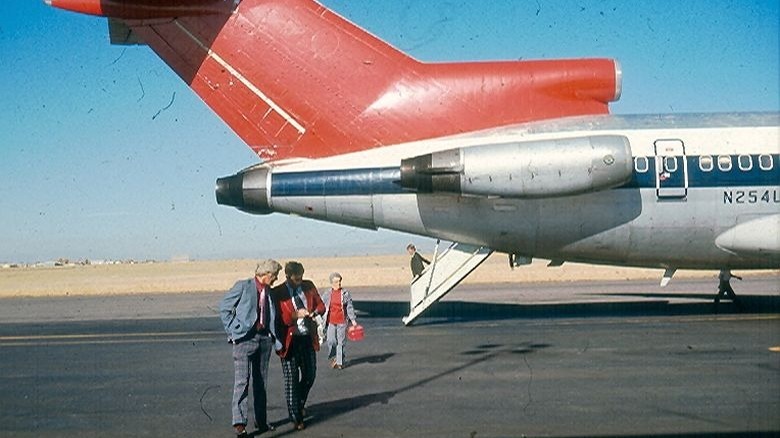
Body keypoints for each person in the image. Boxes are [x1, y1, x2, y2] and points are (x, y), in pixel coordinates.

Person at [218, 259, 282, 438]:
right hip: (244, 340)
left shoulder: (269, 292)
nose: (276, 279)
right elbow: (224, 308)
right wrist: (234, 330)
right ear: (266, 274)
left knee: (261, 382)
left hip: (264, 341)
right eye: (275, 275)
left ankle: (261, 420)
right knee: (242, 381)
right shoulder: (243, 286)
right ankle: (239, 424)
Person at [270, 261, 325, 431]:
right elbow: (279, 319)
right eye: (296, 279)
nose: (299, 281)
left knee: (310, 374)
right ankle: (296, 416)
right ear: (287, 277)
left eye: (301, 278)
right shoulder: (278, 292)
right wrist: (295, 315)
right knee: (291, 380)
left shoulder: (308, 286)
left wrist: (315, 312)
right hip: (289, 341)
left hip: (307, 338)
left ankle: (299, 402)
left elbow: (321, 305)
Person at [322, 272, 358, 370]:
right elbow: (321, 306)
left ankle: (340, 361)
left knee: (341, 342)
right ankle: (334, 357)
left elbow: (349, 307)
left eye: (340, 281)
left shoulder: (345, 293)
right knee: (331, 340)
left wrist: (353, 320)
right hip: (331, 321)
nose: (339, 284)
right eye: (336, 282)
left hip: (342, 321)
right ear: (331, 283)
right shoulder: (327, 294)